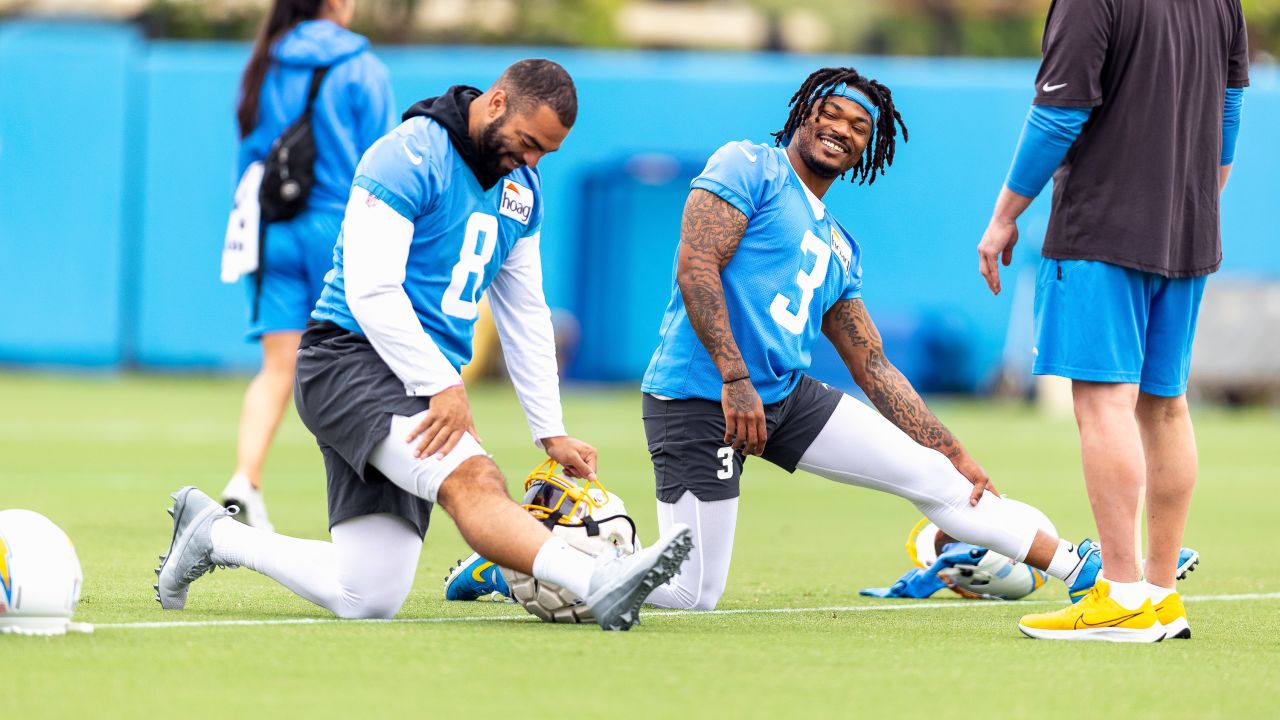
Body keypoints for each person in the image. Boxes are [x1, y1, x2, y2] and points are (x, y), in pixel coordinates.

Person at [156, 59, 693, 631]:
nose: (532, 161)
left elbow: (526, 313)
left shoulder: (522, 190)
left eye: (546, 153)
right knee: (475, 479)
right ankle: (598, 580)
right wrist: (441, 382)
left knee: (368, 593)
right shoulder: (407, 155)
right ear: (495, 104)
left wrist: (550, 428)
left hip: (415, 373)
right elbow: (371, 291)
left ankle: (213, 534)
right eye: (528, 143)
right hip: (350, 358)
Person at [635, 66, 1108, 637]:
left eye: (859, 126)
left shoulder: (839, 245)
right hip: (702, 396)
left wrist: (951, 449)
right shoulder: (749, 165)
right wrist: (733, 378)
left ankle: (1081, 569)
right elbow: (697, 266)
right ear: (802, 112)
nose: (841, 129)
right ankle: (554, 556)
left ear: (869, 147)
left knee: (937, 479)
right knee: (691, 594)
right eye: (830, 113)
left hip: (783, 396)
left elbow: (873, 364)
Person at [977, 0, 1248, 641]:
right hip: (1187, 230)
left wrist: (1004, 214)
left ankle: (1121, 594)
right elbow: (1230, 109)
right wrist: (1193, 203)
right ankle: (1159, 594)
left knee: (1104, 404)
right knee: (1166, 406)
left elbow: (1059, 115)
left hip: (1103, 229)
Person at [224, 0, 397, 530]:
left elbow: (248, 153)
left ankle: (243, 481)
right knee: (364, 363)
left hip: (271, 226)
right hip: (339, 229)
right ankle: (370, 497)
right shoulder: (362, 66)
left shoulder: (264, 60)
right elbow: (385, 159)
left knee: (277, 366)